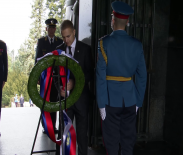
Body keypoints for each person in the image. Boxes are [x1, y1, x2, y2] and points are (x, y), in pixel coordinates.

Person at [96, 1, 147, 155]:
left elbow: (100, 77)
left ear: (113, 19)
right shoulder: (137, 45)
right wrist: (138, 100)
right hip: (130, 100)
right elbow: (142, 75)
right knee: (128, 142)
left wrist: (101, 104)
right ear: (128, 22)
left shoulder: (104, 43)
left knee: (111, 144)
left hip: (110, 101)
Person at [55, 20, 93, 155]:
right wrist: (60, 87)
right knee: (64, 135)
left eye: (68, 36)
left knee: (82, 136)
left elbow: (90, 74)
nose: (66, 40)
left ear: (74, 32)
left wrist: (74, 83)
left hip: (81, 100)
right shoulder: (58, 51)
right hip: (65, 101)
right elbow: (54, 75)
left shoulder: (85, 49)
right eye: (63, 37)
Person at [35, 18, 63, 134]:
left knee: (54, 101)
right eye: (49, 28)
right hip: (45, 77)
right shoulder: (41, 41)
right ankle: (45, 126)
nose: (51, 30)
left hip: (56, 77)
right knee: (45, 101)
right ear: (46, 29)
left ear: (55, 29)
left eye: (53, 28)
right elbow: (37, 59)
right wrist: (37, 76)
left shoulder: (59, 42)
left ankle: (53, 125)